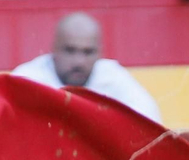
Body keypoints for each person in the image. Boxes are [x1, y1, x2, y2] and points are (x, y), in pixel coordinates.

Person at [12, 13, 161, 124]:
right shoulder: (27, 78)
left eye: (88, 52)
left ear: (100, 53)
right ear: (54, 49)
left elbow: (150, 122)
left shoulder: (113, 77)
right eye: (70, 50)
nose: (79, 61)